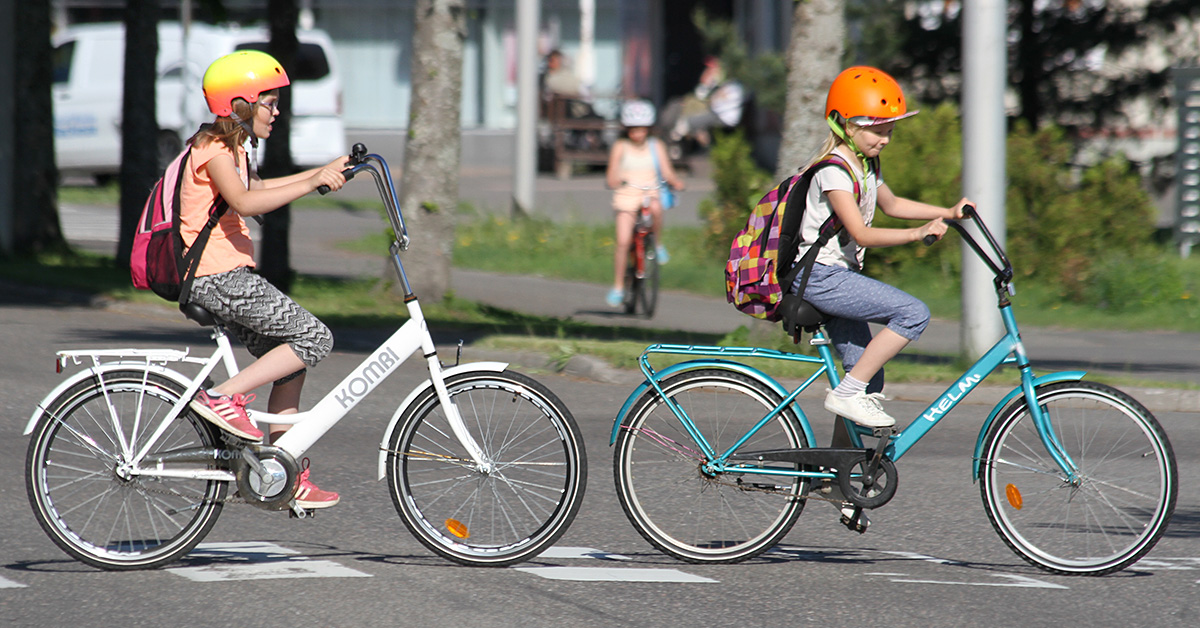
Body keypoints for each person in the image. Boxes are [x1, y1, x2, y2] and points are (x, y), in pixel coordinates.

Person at [183, 50, 349, 509]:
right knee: (314, 337)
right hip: (216, 276)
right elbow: (245, 202)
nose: (276, 112)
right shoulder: (212, 148)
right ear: (239, 103)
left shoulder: (231, 147)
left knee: (291, 358)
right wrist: (311, 181)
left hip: (225, 274)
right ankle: (220, 397)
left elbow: (255, 189)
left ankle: (284, 469)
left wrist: (320, 175)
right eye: (268, 102)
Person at [790, 66, 970, 430]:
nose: (886, 139)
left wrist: (948, 212)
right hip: (820, 277)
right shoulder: (833, 172)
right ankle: (844, 395)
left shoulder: (866, 164)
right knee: (913, 313)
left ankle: (842, 482)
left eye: (890, 130)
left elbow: (892, 205)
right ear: (845, 125)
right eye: (878, 131)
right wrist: (917, 235)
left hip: (838, 276)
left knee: (867, 379)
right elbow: (862, 233)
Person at [604, 99, 684, 308]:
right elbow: (612, 173)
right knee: (623, 241)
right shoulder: (621, 146)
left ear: (648, 129)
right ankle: (618, 286)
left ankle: (657, 244)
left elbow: (666, 170)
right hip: (627, 194)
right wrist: (614, 181)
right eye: (632, 129)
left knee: (657, 208)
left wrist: (676, 181)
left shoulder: (656, 146)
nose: (637, 134)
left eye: (641, 129)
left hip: (650, 192)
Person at [661, 56, 745, 149]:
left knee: (689, 122)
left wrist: (712, 81)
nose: (709, 70)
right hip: (715, 114)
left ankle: (677, 137)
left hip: (722, 118)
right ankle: (680, 138)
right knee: (688, 111)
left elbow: (712, 101)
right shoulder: (719, 84)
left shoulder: (731, 85)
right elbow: (701, 92)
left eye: (712, 68)